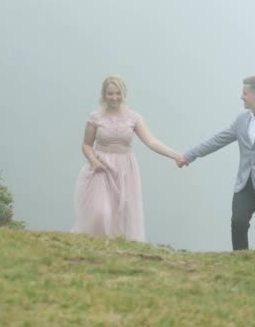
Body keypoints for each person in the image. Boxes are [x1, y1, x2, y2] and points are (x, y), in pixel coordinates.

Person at [178, 76, 255, 250]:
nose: (241, 97)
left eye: (244, 93)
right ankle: (241, 259)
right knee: (238, 223)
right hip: (245, 184)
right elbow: (218, 140)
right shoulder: (241, 121)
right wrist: (189, 155)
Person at [72, 75, 185, 241]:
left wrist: (175, 155)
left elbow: (151, 141)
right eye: (110, 93)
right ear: (103, 95)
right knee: (100, 212)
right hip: (101, 168)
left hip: (125, 169)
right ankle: (96, 241)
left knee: (121, 213)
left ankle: (116, 248)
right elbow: (86, 145)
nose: (114, 97)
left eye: (118, 93)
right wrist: (94, 162)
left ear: (123, 94)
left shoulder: (133, 117)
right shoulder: (95, 117)